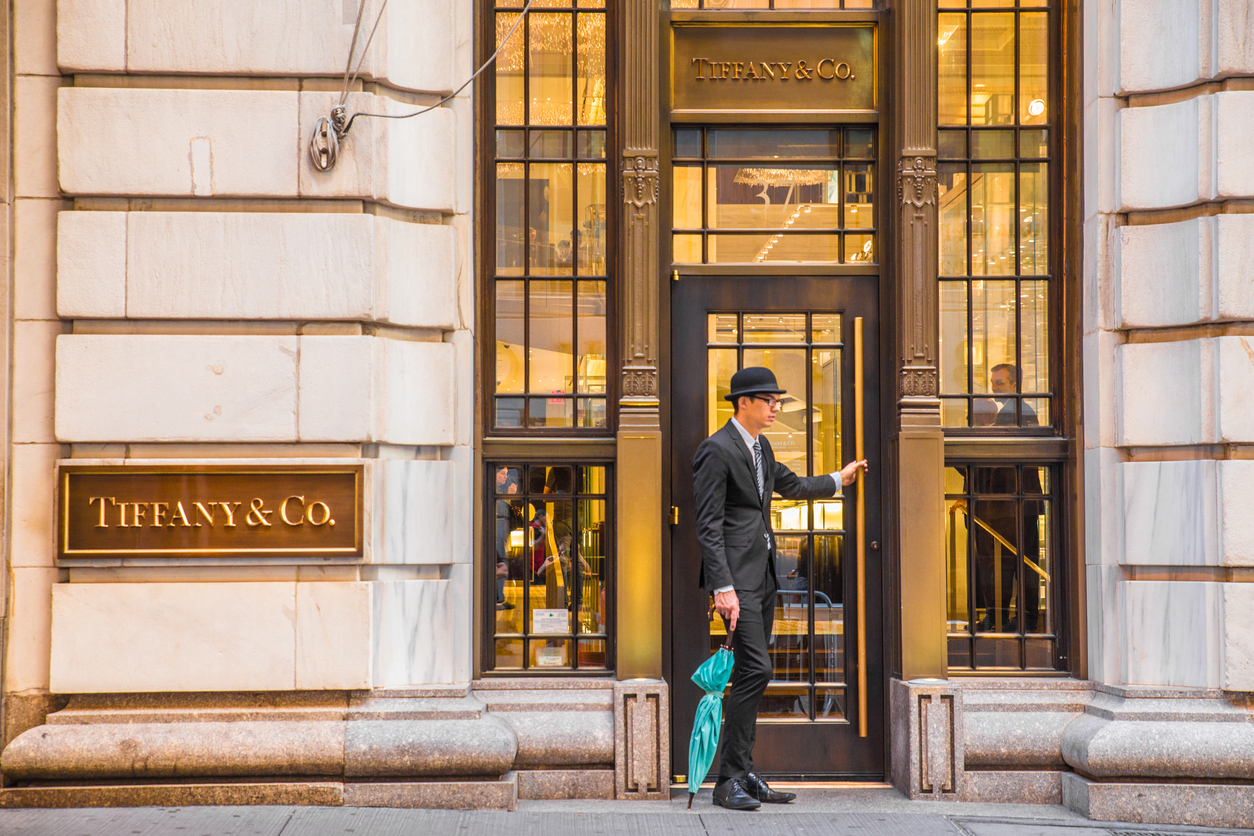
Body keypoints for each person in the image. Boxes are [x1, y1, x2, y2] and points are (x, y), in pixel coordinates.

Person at [693, 366, 868, 811]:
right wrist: (722, 587)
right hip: (737, 585)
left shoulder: (761, 448)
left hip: (764, 579)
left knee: (753, 673)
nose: (776, 407)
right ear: (744, 403)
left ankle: (743, 772)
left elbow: (791, 485)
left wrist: (839, 479)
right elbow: (708, 526)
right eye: (769, 400)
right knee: (757, 670)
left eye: (777, 400)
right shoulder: (716, 450)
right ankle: (727, 780)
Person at [966, 363, 1044, 632]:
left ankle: (1009, 618)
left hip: (1007, 508)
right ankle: (1016, 618)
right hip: (1014, 507)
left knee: (1004, 565)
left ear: (1015, 385)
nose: (993, 386)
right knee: (1019, 565)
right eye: (992, 381)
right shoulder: (1017, 412)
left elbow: (996, 462)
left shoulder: (1012, 414)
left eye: (999, 382)